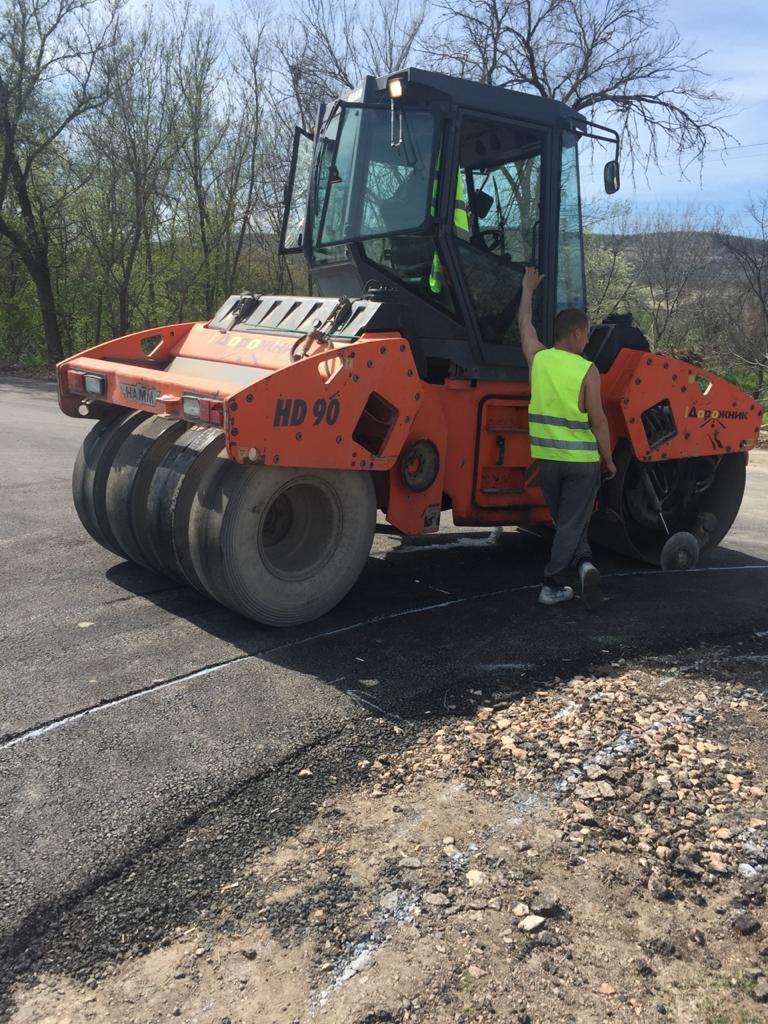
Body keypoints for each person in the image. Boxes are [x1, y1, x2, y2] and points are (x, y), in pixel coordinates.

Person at [517, 267, 617, 609]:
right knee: (571, 522)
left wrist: (527, 291)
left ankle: (585, 562)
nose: (588, 340)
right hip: (581, 464)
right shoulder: (587, 370)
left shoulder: (540, 360)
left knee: (567, 521)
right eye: (586, 333)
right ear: (575, 334)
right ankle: (553, 584)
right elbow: (599, 421)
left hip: (546, 461)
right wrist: (609, 458)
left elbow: (526, 328)